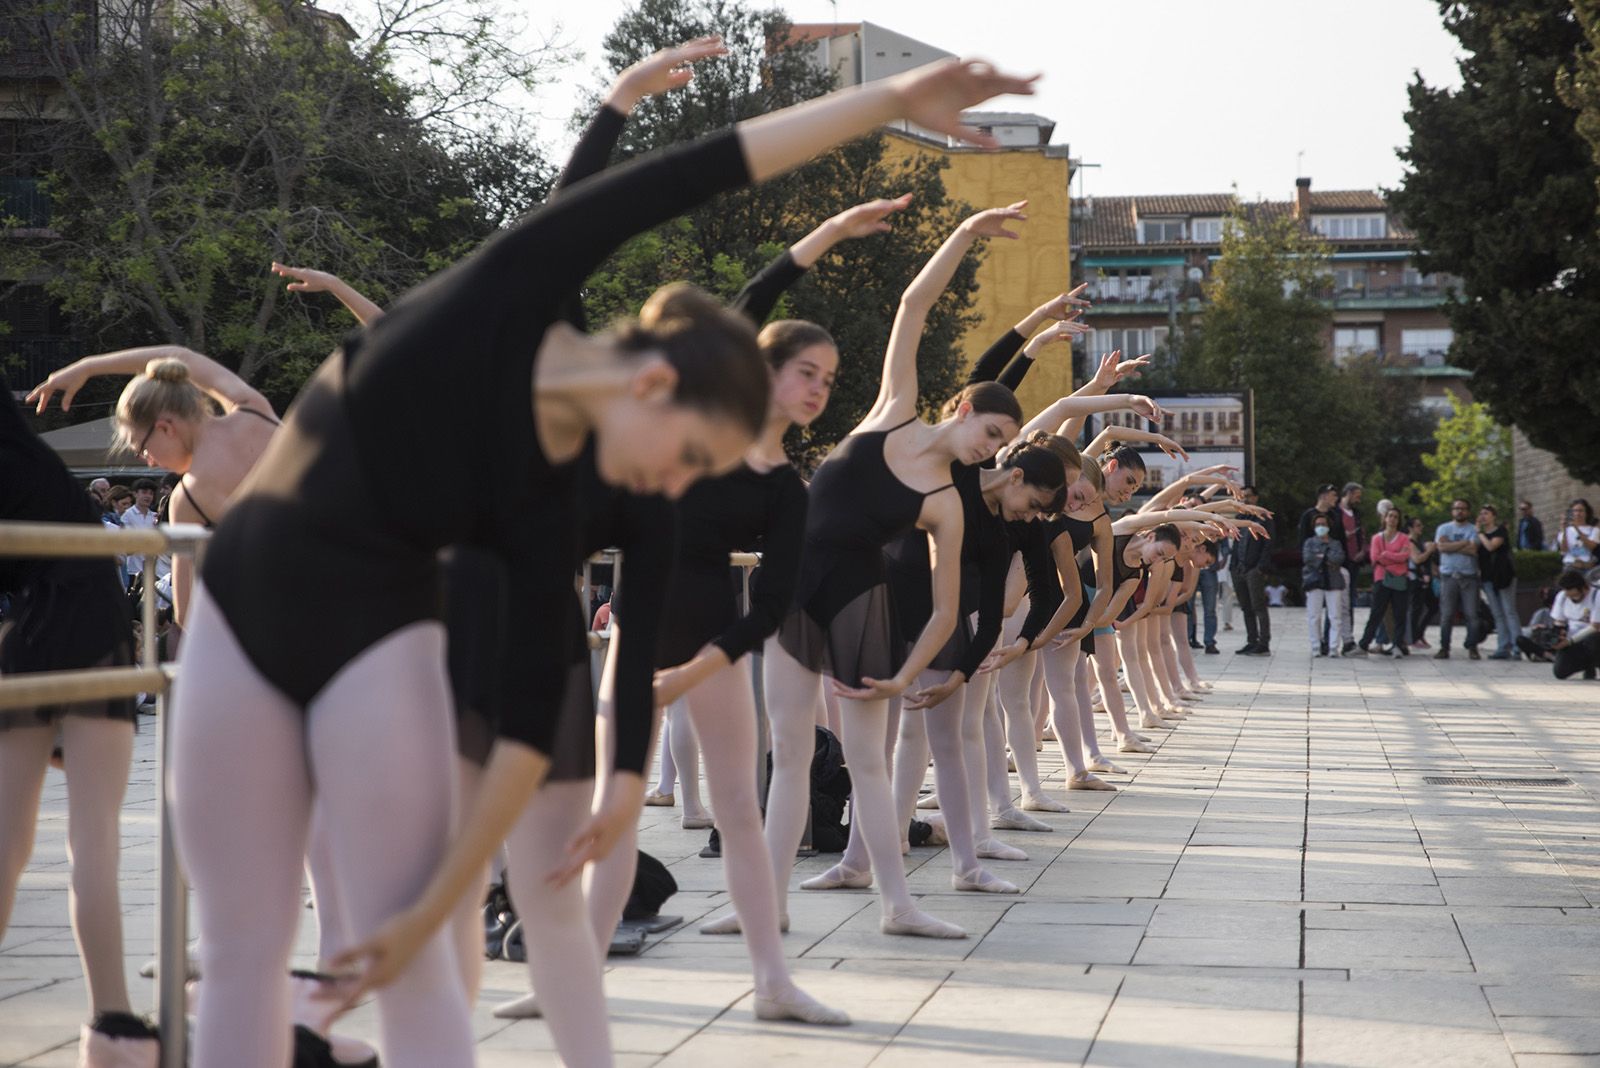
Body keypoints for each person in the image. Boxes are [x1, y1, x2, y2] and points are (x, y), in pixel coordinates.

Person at [167, 56, 1040, 1068]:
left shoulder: (543, 502)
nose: (674, 486)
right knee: (239, 959)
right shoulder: (510, 296)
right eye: (688, 458)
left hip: (381, 645)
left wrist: (461, 888)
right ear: (656, 384)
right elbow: (695, 171)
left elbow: (537, 707)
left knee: (409, 971)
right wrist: (886, 103)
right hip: (238, 616)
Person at [0, 375, 156, 1063]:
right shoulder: (22, 454)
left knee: (9, 835)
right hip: (84, 606)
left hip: (28, 616)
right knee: (92, 837)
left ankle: (116, 1025)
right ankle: (114, 1025)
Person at [1358, 506, 1412, 656]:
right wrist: (1395, 558)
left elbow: (1405, 556)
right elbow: (1375, 558)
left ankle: (1397, 645)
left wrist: (1387, 554)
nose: (1393, 519)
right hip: (1381, 579)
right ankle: (1364, 644)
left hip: (1399, 579)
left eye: (1396, 516)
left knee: (1399, 613)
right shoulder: (1377, 538)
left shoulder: (1404, 538)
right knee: (1376, 612)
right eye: (1390, 516)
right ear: (1385, 518)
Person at [1433, 498, 1483, 660]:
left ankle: (1472, 646)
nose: (1459, 511)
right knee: (1446, 615)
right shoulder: (1443, 528)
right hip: (1448, 577)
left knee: (1472, 614)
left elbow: (1473, 549)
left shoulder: (1474, 529)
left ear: (1468, 511)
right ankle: (1444, 647)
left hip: (1469, 577)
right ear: (1452, 511)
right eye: (1456, 508)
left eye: (1463, 508)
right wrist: (1463, 543)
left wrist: (1451, 545)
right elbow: (1441, 548)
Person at [1477, 504, 1519, 659]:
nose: (1483, 516)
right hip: (1488, 578)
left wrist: (1479, 534)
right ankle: (1503, 647)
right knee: (1497, 613)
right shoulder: (1479, 534)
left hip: (1504, 576)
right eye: (1481, 513)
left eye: (1486, 513)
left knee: (1509, 610)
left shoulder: (1500, 531)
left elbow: (1491, 546)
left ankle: (1518, 646)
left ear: (1494, 516)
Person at [1236, 484, 1275, 654]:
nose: (1245, 499)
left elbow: (1269, 545)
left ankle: (1263, 641)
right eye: (1242, 496)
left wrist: (1260, 568)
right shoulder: (1239, 517)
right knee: (1246, 607)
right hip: (1238, 569)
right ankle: (1251, 640)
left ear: (1256, 498)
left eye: (1249, 496)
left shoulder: (1264, 519)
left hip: (1254, 569)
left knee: (1258, 606)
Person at [1302, 515, 1347, 656]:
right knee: (1314, 616)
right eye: (1317, 524)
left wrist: (1321, 557)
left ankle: (1333, 647)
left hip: (1333, 581)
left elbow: (1339, 558)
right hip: (1314, 581)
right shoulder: (1309, 542)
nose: (1320, 527)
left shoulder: (1335, 543)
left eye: (1323, 524)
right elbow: (1308, 558)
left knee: (1335, 616)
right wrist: (1326, 560)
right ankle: (1316, 646)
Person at [1547, 569, 1599, 680]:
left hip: (1592, 637)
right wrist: (1557, 637)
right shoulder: (1562, 597)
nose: (1571, 597)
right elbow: (1559, 621)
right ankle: (1587, 665)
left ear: (1583, 588)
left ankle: (1594, 663)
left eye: (1574, 594)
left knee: (1593, 641)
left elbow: (1596, 626)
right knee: (1560, 672)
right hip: (1571, 638)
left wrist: (1570, 641)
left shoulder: (1596, 596)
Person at [1335, 482, 1367, 655]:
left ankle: (1348, 640)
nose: (1358, 499)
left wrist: (1363, 550)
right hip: (1340, 562)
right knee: (1335, 602)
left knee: (1349, 602)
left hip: (1354, 561)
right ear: (1347, 493)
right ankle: (1330, 640)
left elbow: (1361, 534)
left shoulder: (1356, 514)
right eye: (1357, 495)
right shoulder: (1336, 513)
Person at [1408, 516, 1439, 649]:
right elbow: (1417, 559)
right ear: (1411, 528)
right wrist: (1428, 551)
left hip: (1425, 579)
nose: (1421, 528)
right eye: (1418, 525)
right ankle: (1414, 637)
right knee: (1416, 609)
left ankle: (1419, 633)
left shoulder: (1419, 542)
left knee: (1433, 606)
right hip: (1414, 579)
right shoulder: (1409, 542)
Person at [1557, 498, 1599, 570]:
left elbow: (1591, 547)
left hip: (1587, 565)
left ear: (1586, 513)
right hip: (1570, 565)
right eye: (1575, 511)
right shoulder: (1565, 531)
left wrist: (1576, 528)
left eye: (1581, 511)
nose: (1577, 513)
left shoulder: (1594, 530)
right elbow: (1564, 550)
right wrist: (1564, 530)